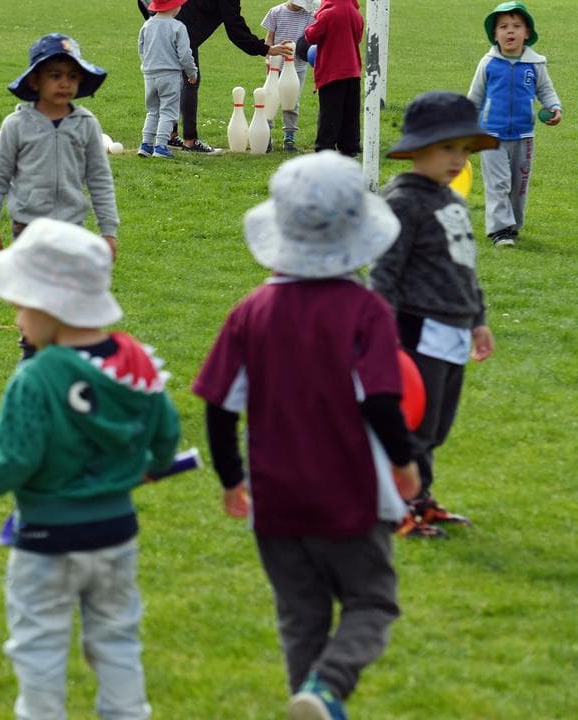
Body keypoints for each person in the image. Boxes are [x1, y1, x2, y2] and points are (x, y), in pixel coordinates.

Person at [192, 151, 420, 720]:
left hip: (275, 499)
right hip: (349, 495)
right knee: (372, 601)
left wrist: (230, 479)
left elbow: (220, 406)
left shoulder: (251, 312)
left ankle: (308, 697)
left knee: (301, 615)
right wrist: (405, 460)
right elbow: (383, 400)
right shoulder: (366, 311)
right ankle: (327, 689)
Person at [0, 217, 180, 720]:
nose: (17, 317)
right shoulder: (134, 362)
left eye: (21, 305)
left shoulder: (36, 378)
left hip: (46, 542)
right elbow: (166, 431)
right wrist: (155, 467)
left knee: (39, 645)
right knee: (116, 640)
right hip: (116, 534)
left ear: (51, 306)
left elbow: (16, 461)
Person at [370, 91, 499, 538]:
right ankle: (397, 506)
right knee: (415, 425)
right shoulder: (403, 202)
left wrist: (478, 318)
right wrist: (383, 335)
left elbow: (464, 266)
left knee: (438, 425)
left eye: (464, 149)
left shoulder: (452, 202)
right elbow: (383, 273)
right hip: (416, 328)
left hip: (455, 329)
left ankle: (420, 499)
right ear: (418, 147)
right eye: (448, 148)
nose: (458, 159)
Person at [0, 33, 118, 258]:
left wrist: (108, 231)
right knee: (28, 292)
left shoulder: (86, 124)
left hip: (72, 227)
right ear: (35, 80)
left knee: (66, 291)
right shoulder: (16, 125)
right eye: (55, 76)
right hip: (27, 228)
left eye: (73, 76)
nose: (65, 83)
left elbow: (99, 179)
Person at [136, 0, 293, 154]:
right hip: (182, 32)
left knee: (155, 107)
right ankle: (188, 142)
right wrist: (265, 49)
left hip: (161, 39)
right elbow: (235, 30)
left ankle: (162, 139)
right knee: (189, 84)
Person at [466, 1, 563, 247]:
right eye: (504, 27)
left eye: (517, 26)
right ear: (495, 34)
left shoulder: (535, 64)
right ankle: (499, 230)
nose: (510, 31)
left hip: (524, 135)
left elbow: (546, 91)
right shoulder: (488, 63)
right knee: (498, 183)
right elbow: (474, 98)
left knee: (519, 185)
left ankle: (513, 225)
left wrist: (555, 108)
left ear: (527, 33)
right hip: (491, 134)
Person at [294, 0, 363, 156]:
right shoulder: (356, 13)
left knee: (330, 111)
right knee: (350, 111)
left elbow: (311, 36)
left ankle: (325, 147)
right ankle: (350, 147)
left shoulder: (327, 14)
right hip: (352, 69)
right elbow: (357, 38)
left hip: (332, 70)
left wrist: (315, 18)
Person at [137, 0, 199, 159]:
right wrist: (192, 73)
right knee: (168, 111)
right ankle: (161, 146)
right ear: (174, 6)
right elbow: (185, 55)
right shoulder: (178, 27)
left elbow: (141, 49)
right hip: (170, 76)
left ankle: (146, 144)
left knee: (153, 110)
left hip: (149, 75)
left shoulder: (147, 25)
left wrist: (147, 66)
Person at [261, 0, 317, 153]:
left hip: (297, 68)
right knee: (270, 99)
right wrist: (267, 56)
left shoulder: (309, 14)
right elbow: (269, 38)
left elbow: (312, 40)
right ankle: (266, 136)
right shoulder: (275, 12)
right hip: (276, 66)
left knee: (292, 103)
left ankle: (289, 137)